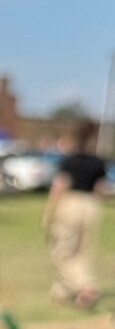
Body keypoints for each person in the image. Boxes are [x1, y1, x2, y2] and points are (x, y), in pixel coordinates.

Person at [43, 119, 108, 309]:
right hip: (91, 206)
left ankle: (86, 286)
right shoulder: (98, 162)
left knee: (61, 252)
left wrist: (49, 212)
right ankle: (63, 292)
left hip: (71, 203)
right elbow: (100, 189)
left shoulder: (69, 161)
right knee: (81, 251)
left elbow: (59, 186)